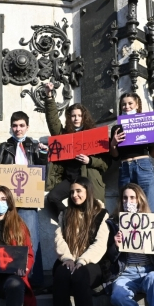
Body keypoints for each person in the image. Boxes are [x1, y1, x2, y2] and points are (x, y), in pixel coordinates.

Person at [46, 177, 108, 306]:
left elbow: (100, 243)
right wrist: (68, 258)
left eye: (78, 191)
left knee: (81, 276)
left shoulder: (101, 213)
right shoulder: (64, 214)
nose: (74, 195)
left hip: (91, 263)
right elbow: (59, 238)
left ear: (88, 192)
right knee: (61, 274)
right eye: (72, 192)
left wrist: (82, 261)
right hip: (69, 260)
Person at [0, 111, 47, 285]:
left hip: (28, 201)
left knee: (31, 239)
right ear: (11, 127)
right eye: (15, 125)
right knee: (8, 238)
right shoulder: (4, 147)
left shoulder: (34, 146)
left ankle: (34, 280)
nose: (18, 129)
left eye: (21, 125)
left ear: (27, 127)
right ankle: (9, 279)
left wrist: (44, 154)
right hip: (6, 203)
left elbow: (42, 171)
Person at [43, 82, 110, 213]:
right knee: (52, 198)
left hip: (88, 180)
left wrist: (89, 161)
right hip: (70, 179)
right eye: (73, 116)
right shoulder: (64, 135)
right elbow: (53, 121)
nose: (76, 118)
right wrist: (49, 96)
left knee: (91, 212)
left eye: (79, 116)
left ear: (84, 117)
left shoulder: (94, 135)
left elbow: (105, 164)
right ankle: (67, 219)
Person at [110, 93, 154, 212]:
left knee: (148, 206)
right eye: (123, 104)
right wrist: (113, 143)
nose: (126, 106)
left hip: (144, 166)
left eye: (130, 103)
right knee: (126, 208)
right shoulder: (116, 128)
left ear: (137, 105)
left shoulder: (147, 124)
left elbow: (153, 154)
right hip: (124, 168)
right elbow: (115, 155)